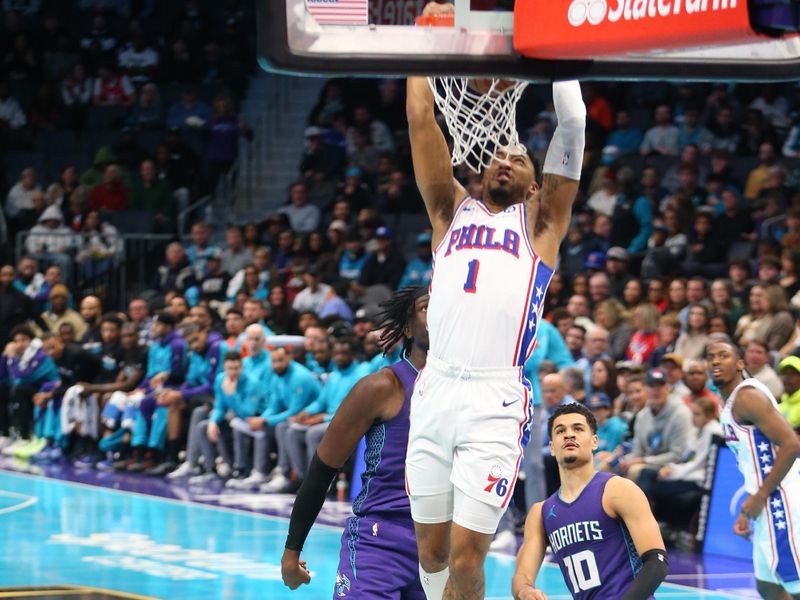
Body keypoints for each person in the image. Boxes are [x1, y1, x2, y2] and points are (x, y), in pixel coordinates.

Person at [406, 22, 586, 595]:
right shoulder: (448, 211)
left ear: (537, 184)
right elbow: (420, 119)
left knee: (465, 557)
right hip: (434, 388)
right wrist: (421, 45)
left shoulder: (542, 228)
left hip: (494, 399)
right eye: (499, 155)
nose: (505, 160)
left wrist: (559, 53)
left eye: (520, 158)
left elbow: (573, 123)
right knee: (430, 553)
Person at [281, 287, 429, 597]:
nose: (441, 313)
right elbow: (322, 470)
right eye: (428, 307)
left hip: (443, 545)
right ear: (406, 327)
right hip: (382, 541)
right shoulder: (382, 386)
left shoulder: (468, 394)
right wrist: (292, 551)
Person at [512, 403, 668, 600]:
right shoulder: (541, 513)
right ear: (551, 447)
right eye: (560, 431)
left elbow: (657, 562)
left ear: (594, 442)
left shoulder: (618, 489)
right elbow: (522, 576)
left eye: (578, 429)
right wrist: (526, 591)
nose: (569, 435)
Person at [707, 335, 800, 599]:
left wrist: (760, 497)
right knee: (768, 586)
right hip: (765, 498)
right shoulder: (727, 403)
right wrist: (749, 507)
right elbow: (757, 461)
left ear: (739, 363)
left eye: (723, 355)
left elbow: (791, 445)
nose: (715, 360)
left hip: (779, 498)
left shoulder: (748, 397)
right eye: (710, 356)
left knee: (795, 585)